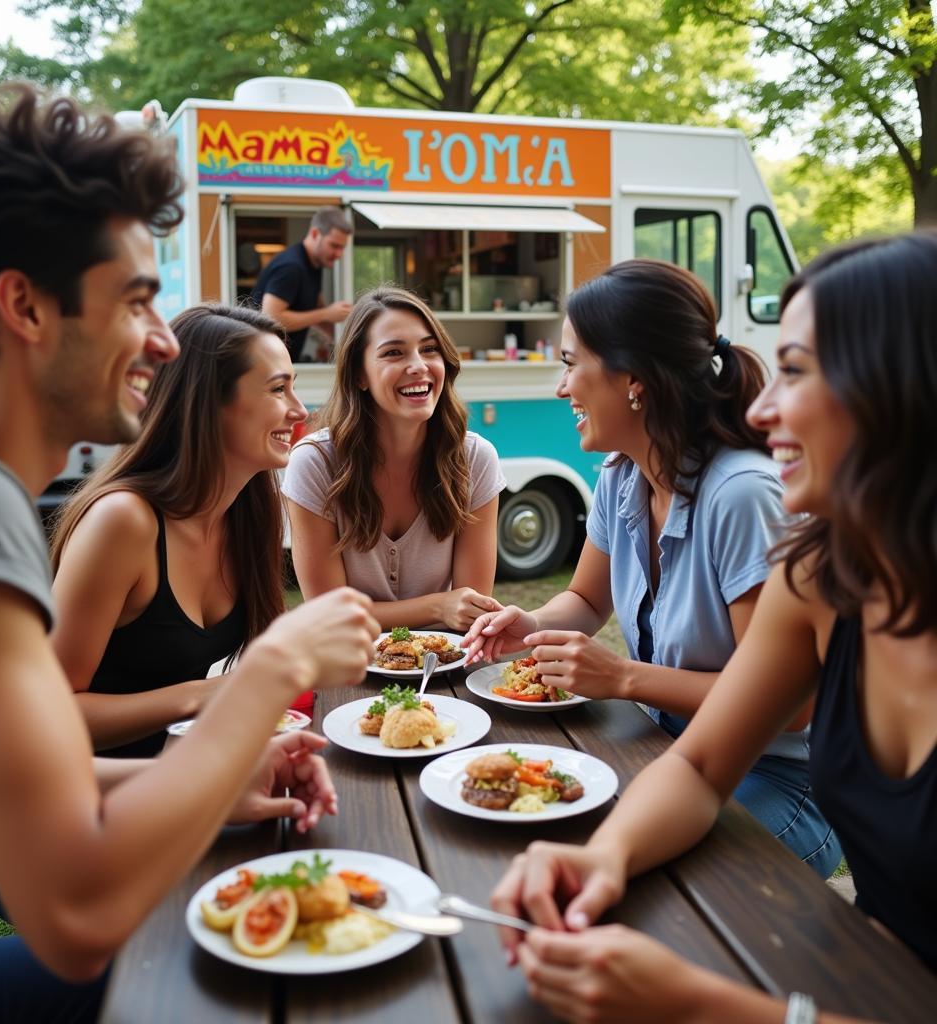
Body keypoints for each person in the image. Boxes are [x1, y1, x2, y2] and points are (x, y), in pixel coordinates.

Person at [0, 86, 378, 1024]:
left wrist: (224, 774)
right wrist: (266, 677)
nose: (164, 341)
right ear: (25, 308)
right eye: (135, 302)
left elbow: (24, 771)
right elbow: (75, 912)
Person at [488, 232, 937, 1023]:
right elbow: (698, 768)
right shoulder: (818, 570)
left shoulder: (744, 495)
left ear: (901, 386)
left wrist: (701, 1006)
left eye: (795, 371)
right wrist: (601, 860)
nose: (760, 407)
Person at [465, 259, 840, 877]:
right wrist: (526, 623)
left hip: (778, 774)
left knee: (665, 890)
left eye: (568, 363)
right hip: (674, 745)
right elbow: (585, 603)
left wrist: (625, 679)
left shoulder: (743, 495)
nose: (561, 388)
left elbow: (789, 709)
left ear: (632, 378)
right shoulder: (621, 475)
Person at [48, 303, 309, 758]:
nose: (298, 410)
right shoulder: (124, 522)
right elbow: (51, 714)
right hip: (102, 804)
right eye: (277, 389)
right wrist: (203, 694)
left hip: (191, 777)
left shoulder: (250, 509)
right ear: (208, 404)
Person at [283, 286, 506, 632]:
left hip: (441, 667)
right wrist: (439, 606)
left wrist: (452, 609)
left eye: (429, 349)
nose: (418, 366)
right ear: (359, 375)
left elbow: (471, 611)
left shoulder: (475, 458)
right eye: (394, 353)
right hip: (345, 671)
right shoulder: (315, 463)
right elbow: (328, 617)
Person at [251, 206, 353, 361]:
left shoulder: (314, 266)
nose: (339, 254)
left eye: (342, 248)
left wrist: (347, 343)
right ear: (314, 234)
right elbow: (271, 317)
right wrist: (327, 313)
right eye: (334, 246)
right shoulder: (291, 266)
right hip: (264, 363)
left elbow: (316, 310)